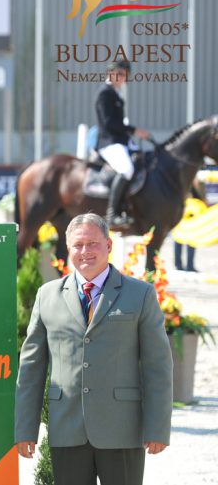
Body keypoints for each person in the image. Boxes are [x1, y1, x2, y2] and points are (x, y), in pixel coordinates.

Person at [15, 212, 173, 485]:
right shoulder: (47, 295)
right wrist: (25, 429)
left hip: (122, 429)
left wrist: (158, 427)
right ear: (68, 249)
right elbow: (31, 369)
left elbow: (157, 365)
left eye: (92, 244)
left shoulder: (141, 294)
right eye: (77, 245)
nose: (85, 252)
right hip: (67, 428)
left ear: (109, 246)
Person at [95, 60, 151, 227]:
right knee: (126, 169)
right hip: (109, 142)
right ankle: (112, 214)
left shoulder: (115, 93)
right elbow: (109, 123)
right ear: (110, 73)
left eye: (124, 76)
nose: (121, 79)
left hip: (120, 141)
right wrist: (134, 130)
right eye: (118, 74)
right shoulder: (104, 93)